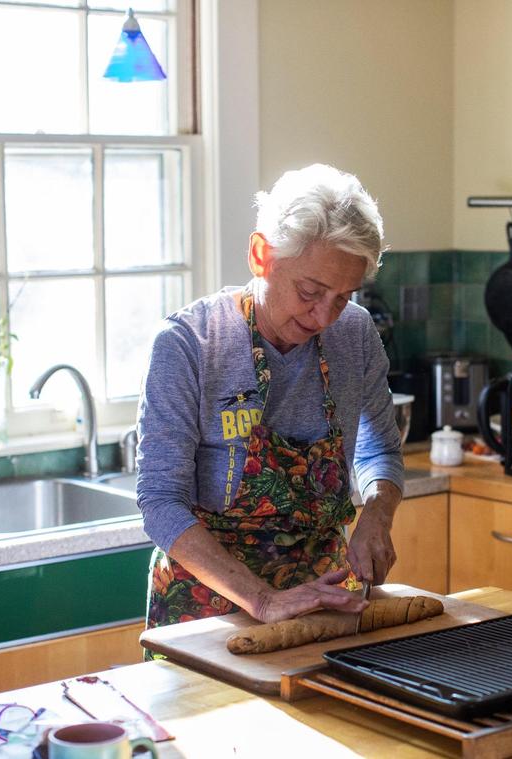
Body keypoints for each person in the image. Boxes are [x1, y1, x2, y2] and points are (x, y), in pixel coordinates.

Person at [137, 164, 403, 634]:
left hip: (321, 606)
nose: (325, 315)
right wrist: (262, 600)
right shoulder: (190, 344)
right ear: (262, 255)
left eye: (343, 296)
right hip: (206, 612)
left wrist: (377, 513)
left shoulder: (355, 333)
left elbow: (379, 447)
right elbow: (160, 501)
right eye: (310, 291)